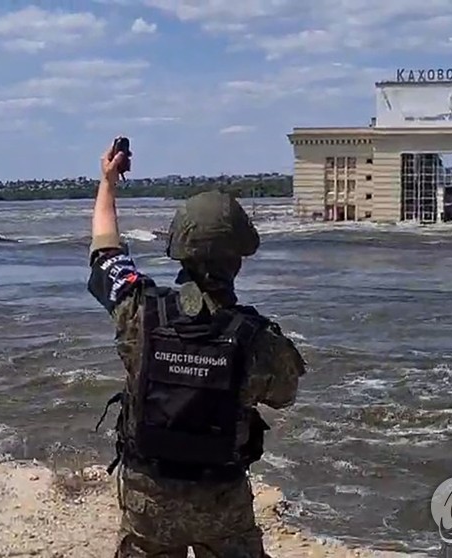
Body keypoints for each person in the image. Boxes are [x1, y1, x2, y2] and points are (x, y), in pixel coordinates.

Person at [86, 139, 307, 557]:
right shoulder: (256, 338)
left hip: (146, 498)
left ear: (178, 250)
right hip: (221, 501)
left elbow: (105, 252)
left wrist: (108, 182)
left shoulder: (139, 311)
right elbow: (285, 394)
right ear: (238, 258)